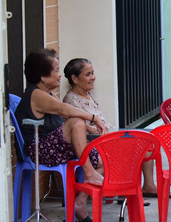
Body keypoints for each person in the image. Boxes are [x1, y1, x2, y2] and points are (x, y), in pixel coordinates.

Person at [15, 49, 108, 222]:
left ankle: (79, 205)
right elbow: (65, 111)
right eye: (56, 70)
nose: (60, 75)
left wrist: (96, 130)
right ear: (42, 76)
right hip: (40, 150)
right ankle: (89, 174)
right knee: (77, 121)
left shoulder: (48, 93)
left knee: (105, 160)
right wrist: (93, 117)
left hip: (55, 147)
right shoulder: (36, 94)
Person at [62, 58, 158, 203]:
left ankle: (148, 186)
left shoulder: (87, 95)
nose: (93, 77)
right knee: (133, 149)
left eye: (92, 73)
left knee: (147, 145)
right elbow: (87, 130)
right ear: (74, 78)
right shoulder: (71, 100)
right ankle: (126, 192)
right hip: (94, 143)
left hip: (105, 137)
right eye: (88, 74)